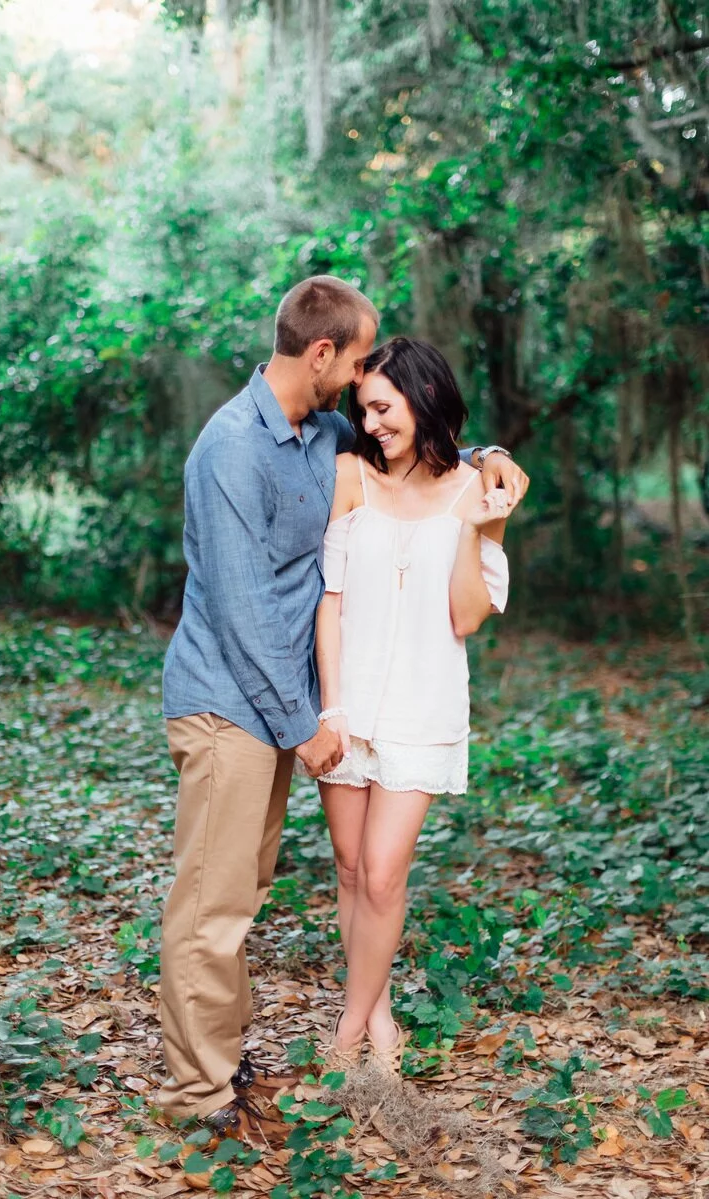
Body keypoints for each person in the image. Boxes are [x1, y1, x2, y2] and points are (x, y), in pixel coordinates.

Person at [158, 277, 529, 1146]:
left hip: (284, 707)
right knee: (213, 904)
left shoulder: (317, 431)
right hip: (234, 703)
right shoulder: (230, 452)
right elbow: (247, 612)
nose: (364, 395)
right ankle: (199, 1092)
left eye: (375, 385)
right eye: (359, 364)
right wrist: (312, 724)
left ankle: (228, 1058)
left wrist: (491, 454)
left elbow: (427, 441)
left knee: (241, 891)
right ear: (323, 356)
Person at [315, 336, 518, 1077]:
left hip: (423, 711)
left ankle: (347, 1030)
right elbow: (328, 606)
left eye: (381, 408)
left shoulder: (477, 492)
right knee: (346, 865)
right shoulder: (349, 479)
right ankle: (378, 1007)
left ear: (422, 397)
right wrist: (330, 710)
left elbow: (465, 616)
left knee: (381, 872)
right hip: (346, 704)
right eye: (362, 410)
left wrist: (475, 524)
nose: (369, 424)